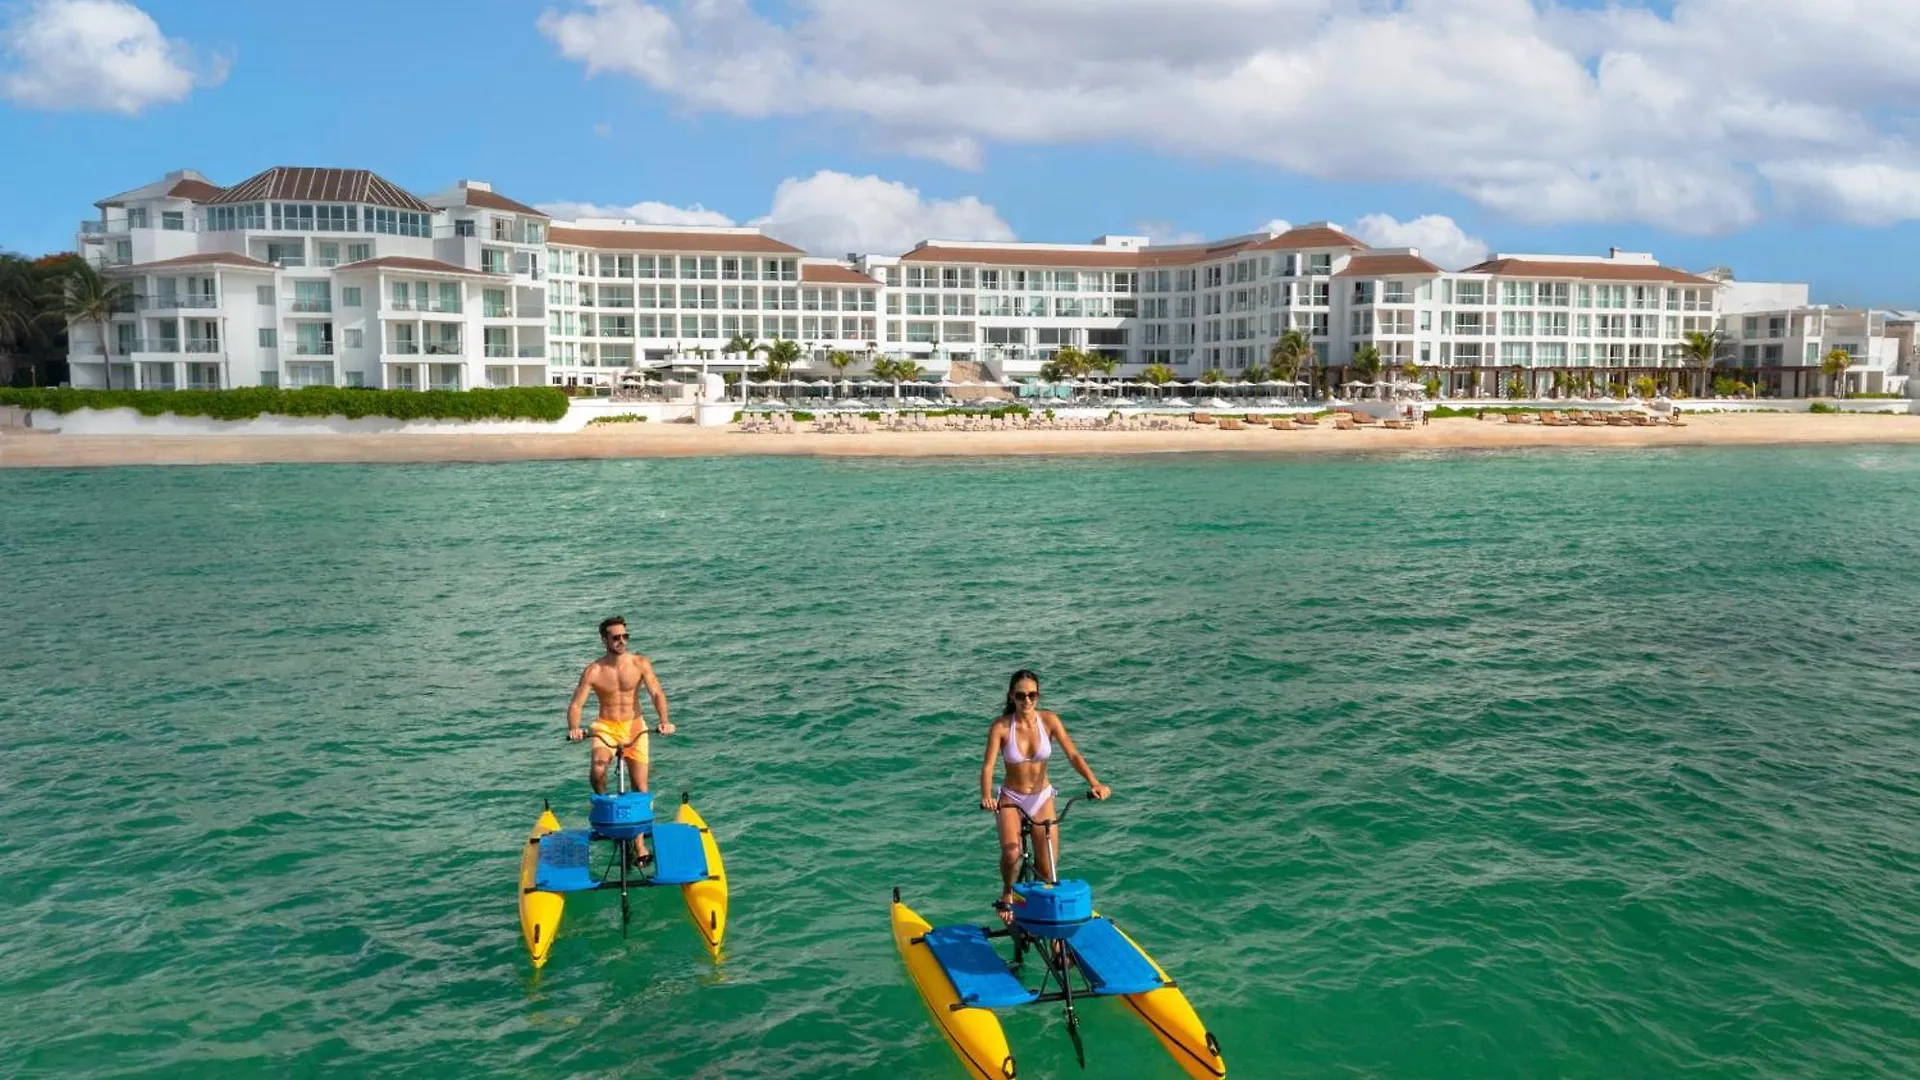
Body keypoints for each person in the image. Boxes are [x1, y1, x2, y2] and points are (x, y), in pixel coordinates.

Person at [979, 669, 1110, 923]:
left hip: (1042, 798)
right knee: (1011, 853)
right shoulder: (1002, 726)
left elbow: (1073, 754)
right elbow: (987, 767)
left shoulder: (1049, 721)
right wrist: (987, 796)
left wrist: (1094, 783)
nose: (1026, 701)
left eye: (1032, 695)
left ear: (1038, 696)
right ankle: (1007, 891)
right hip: (1011, 799)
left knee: (1048, 869)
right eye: (1020, 696)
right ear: (1011, 696)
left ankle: (1053, 932)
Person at [567, 616, 674, 854]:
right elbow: (576, 705)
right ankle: (606, 809)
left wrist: (664, 721)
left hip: (634, 725)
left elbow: (656, 693)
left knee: (640, 785)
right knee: (597, 769)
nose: (622, 641)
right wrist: (574, 728)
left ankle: (638, 843)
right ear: (604, 639)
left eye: (625, 636)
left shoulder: (639, 663)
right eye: (616, 637)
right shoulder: (594, 670)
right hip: (606, 726)